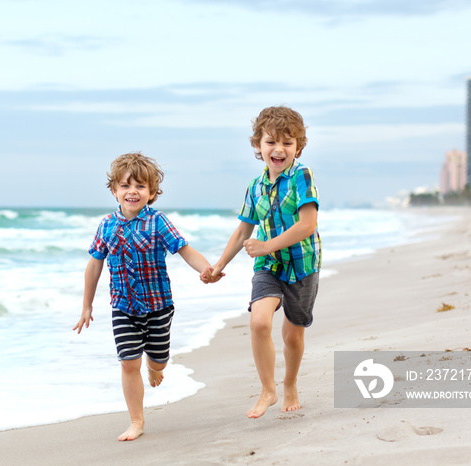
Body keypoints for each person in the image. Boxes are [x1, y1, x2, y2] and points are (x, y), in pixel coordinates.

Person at [73, 152, 212, 441]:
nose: (132, 191)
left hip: (158, 307)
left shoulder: (158, 222)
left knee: (159, 360)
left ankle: (155, 366)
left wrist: (206, 270)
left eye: (140, 186)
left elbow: (184, 249)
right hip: (122, 307)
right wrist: (86, 305)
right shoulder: (107, 225)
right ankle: (136, 420)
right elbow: (95, 264)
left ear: (152, 193)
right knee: (127, 362)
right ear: (114, 191)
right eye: (125, 186)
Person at [202, 106, 321, 419]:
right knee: (259, 321)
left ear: (299, 146)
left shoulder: (301, 176)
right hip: (268, 266)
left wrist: (267, 244)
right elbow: (243, 228)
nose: (278, 149)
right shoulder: (255, 186)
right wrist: (218, 266)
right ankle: (268, 389)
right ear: (258, 146)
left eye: (287, 142)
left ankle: (290, 383)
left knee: (293, 336)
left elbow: (308, 224)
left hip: (302, 265)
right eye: (271, 142)